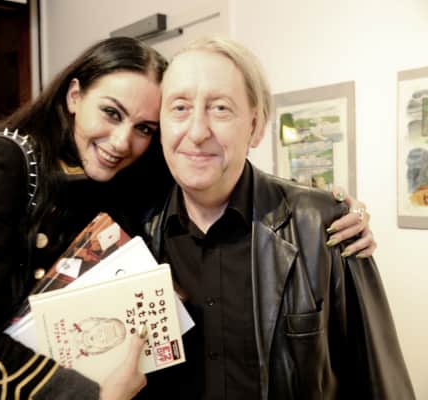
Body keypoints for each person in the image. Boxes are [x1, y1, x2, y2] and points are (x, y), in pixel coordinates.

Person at [0, 37, 377, 400]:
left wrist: (319, 205)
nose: (121, 141)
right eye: (110, 113)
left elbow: (215, 162)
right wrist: (86, 396)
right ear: (74, 95)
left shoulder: (133, 181)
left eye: (143, 128)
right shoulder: (8, 168)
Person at [137, 37, 414, 399]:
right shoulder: (140, 234)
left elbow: (378, 378)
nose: (198, 131)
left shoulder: (322, 225)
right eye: (180, 107)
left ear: (256, 127)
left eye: (220, 108)